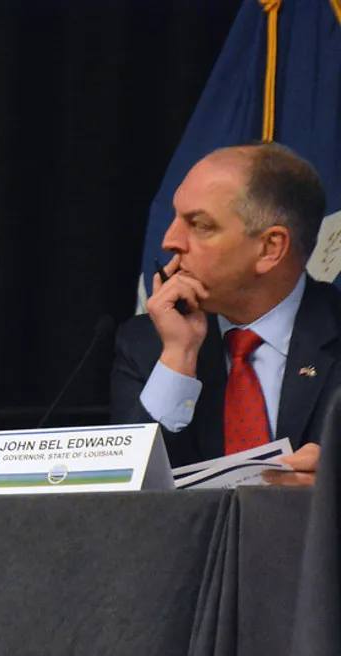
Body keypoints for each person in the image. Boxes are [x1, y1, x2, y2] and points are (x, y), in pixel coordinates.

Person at [110, 142, 341, 485]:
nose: (171, 241)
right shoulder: (146, 344)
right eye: (175, 219)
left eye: (199, 225)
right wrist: (179, 355)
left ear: (270, 248)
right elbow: (124, 499)